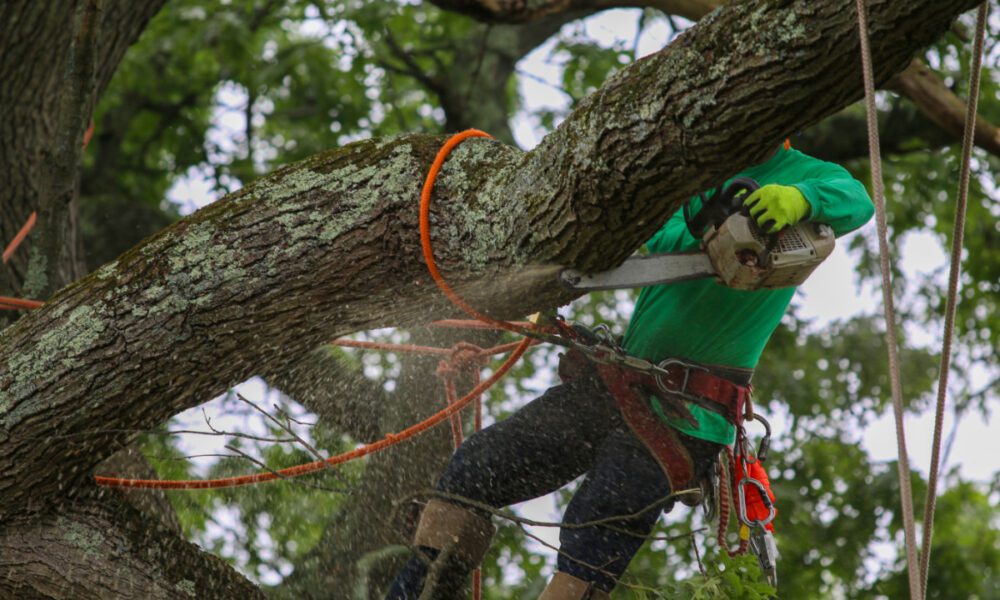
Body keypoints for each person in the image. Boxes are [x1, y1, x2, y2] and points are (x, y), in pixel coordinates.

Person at [386, 142, 874, 599]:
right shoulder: (696, 183)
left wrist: (801, 199)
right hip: (617, 385)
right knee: (476, 467)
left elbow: (856, 201)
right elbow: (650, 240)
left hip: (688, 414)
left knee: (595, 524)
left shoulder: (807, 175)